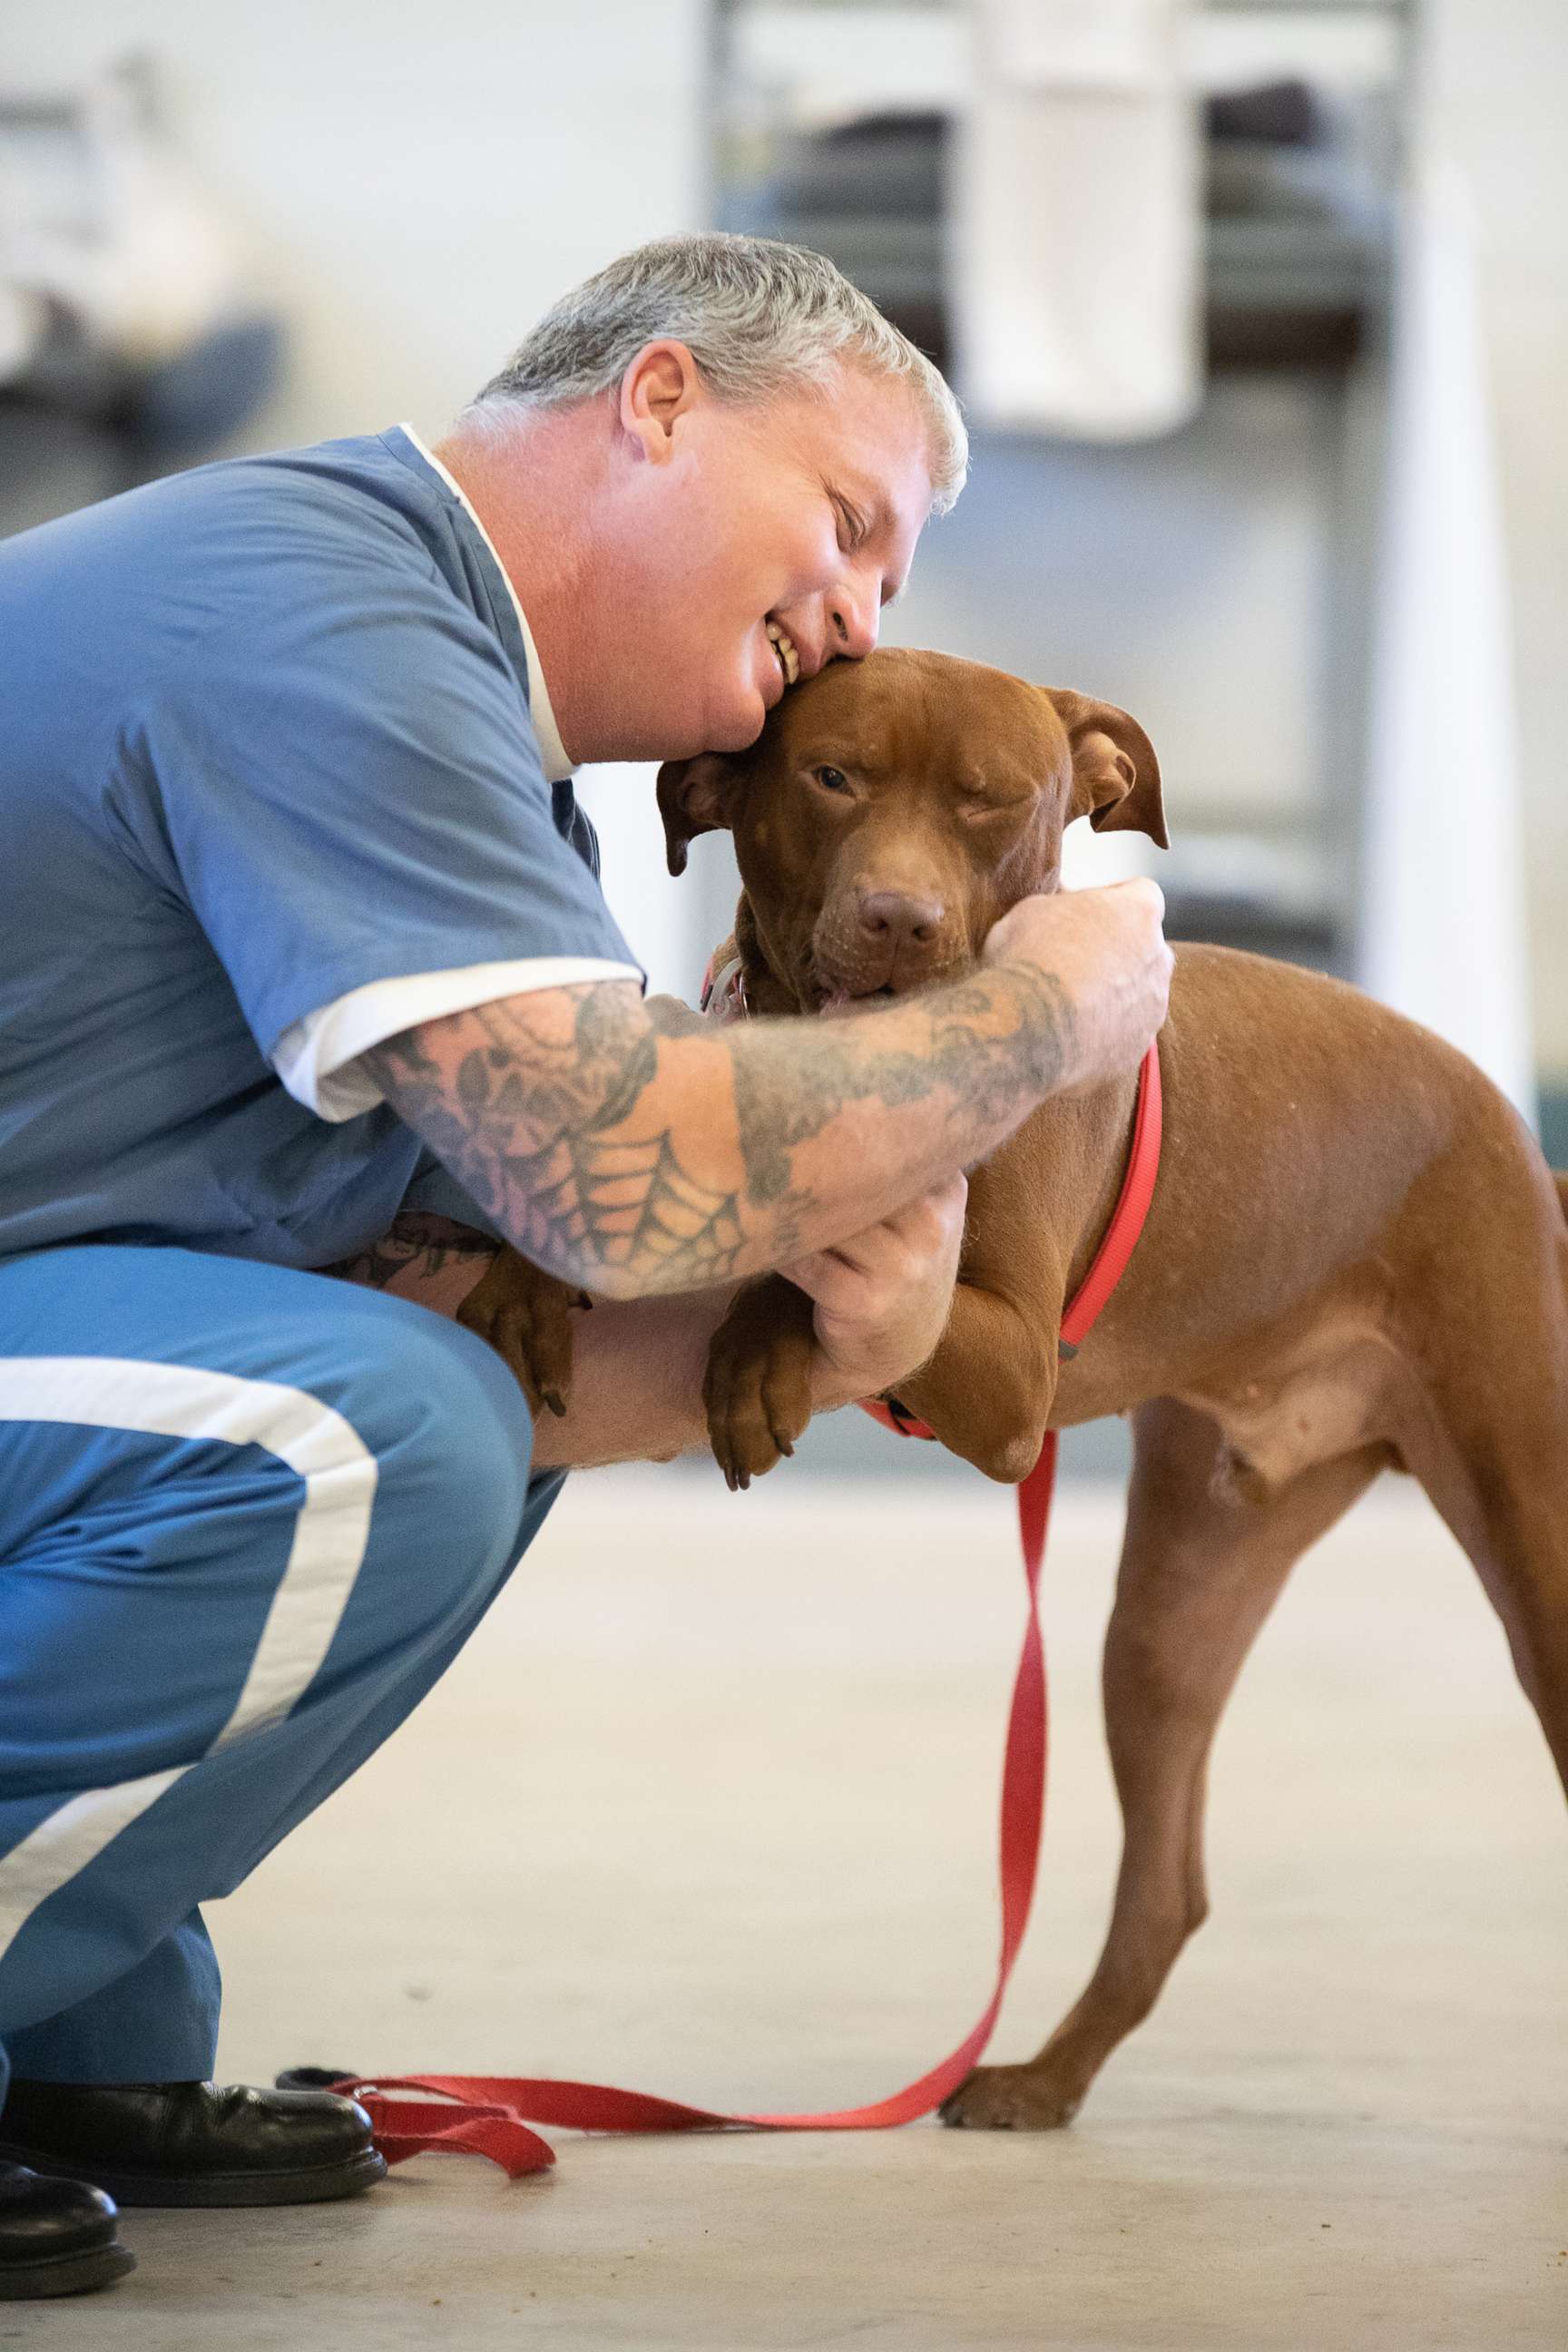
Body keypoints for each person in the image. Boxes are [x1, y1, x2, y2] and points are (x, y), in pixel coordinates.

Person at [0, 232, 1170, 2297]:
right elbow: (619, 1191)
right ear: (656, 404)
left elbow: (527, 1273)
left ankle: (69, 2039)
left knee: (472, 1383)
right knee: (369, 1436)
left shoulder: (473, 730)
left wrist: (854, 1342)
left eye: (891, 580)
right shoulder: (328, 624)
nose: (859, 613)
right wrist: (1050, 1013)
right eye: (849, 521)